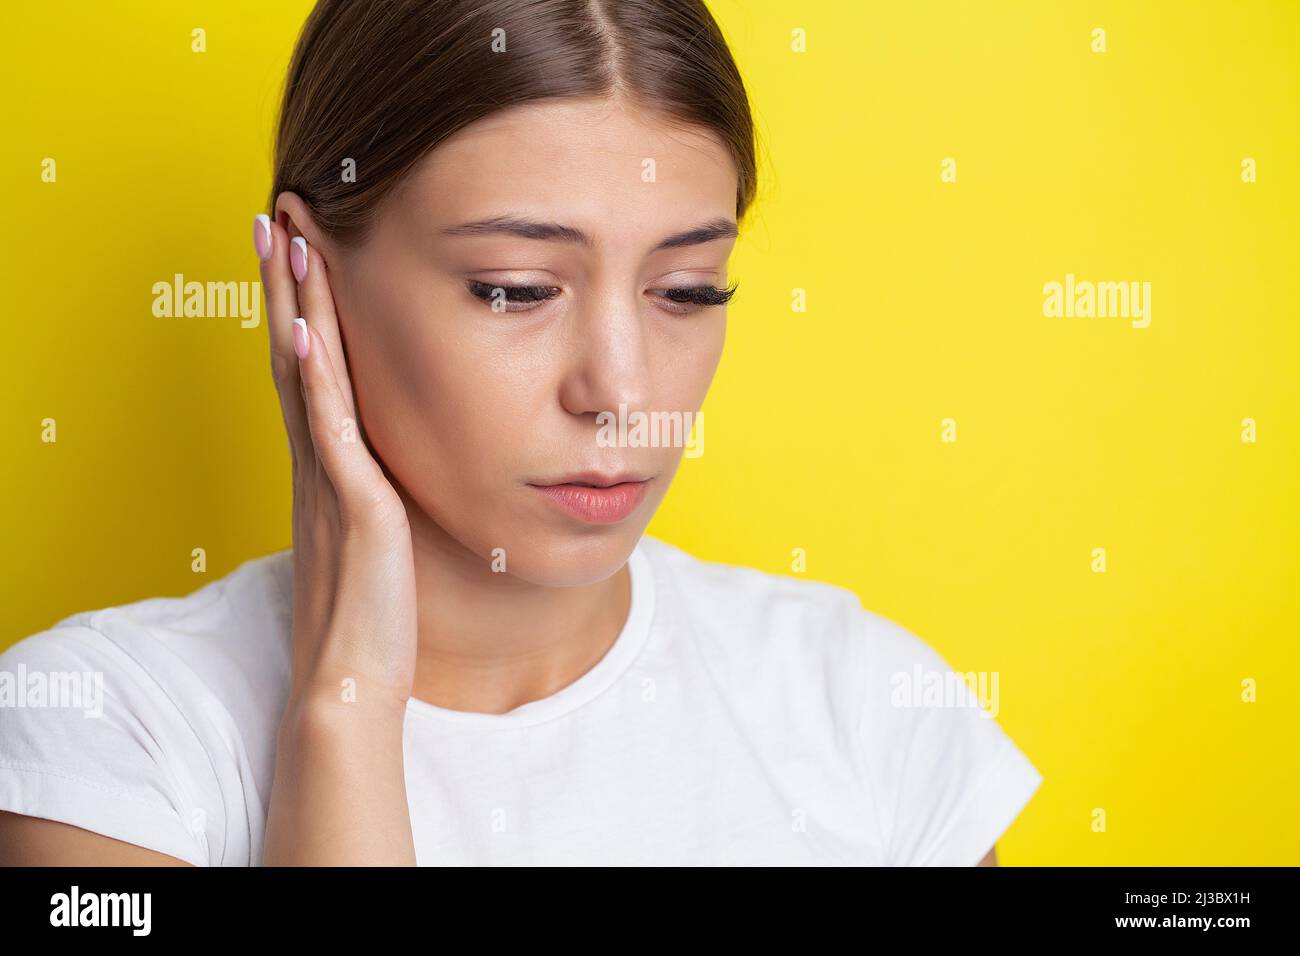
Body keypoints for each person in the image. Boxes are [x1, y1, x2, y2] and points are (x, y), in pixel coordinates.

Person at [0, 0, 1042, 866]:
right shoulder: (107, 738)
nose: (622, 388)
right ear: (304, 275)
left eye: (686, 289)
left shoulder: (866, 707)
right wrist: (347, 709)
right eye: (516, 289)